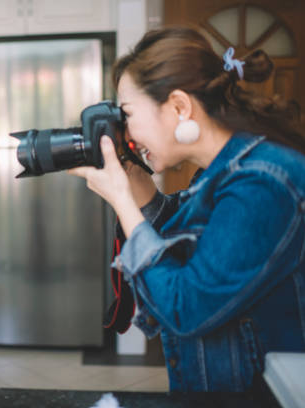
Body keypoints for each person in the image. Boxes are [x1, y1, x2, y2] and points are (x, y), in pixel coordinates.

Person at [68, 26, 305, 392]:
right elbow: (183, 244)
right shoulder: (216, 173)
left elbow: (186, 306)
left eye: (127, 114)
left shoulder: (262, 182)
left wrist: (122, 201)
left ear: (179, 106)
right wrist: (139, 192)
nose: (125, 132)